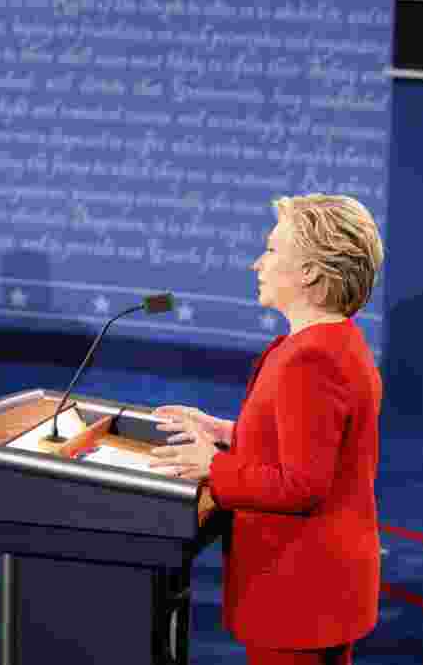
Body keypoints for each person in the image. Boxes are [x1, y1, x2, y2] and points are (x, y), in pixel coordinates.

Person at [150, 194, 385, 665]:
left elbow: (300, 485)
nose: (258, 263)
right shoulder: (334, 342)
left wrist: (213, 466)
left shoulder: (311, 359)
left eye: (272, 250)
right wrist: (223, 430)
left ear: (311, 273)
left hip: (300, 593)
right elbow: (313, 441)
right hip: (322, 589)